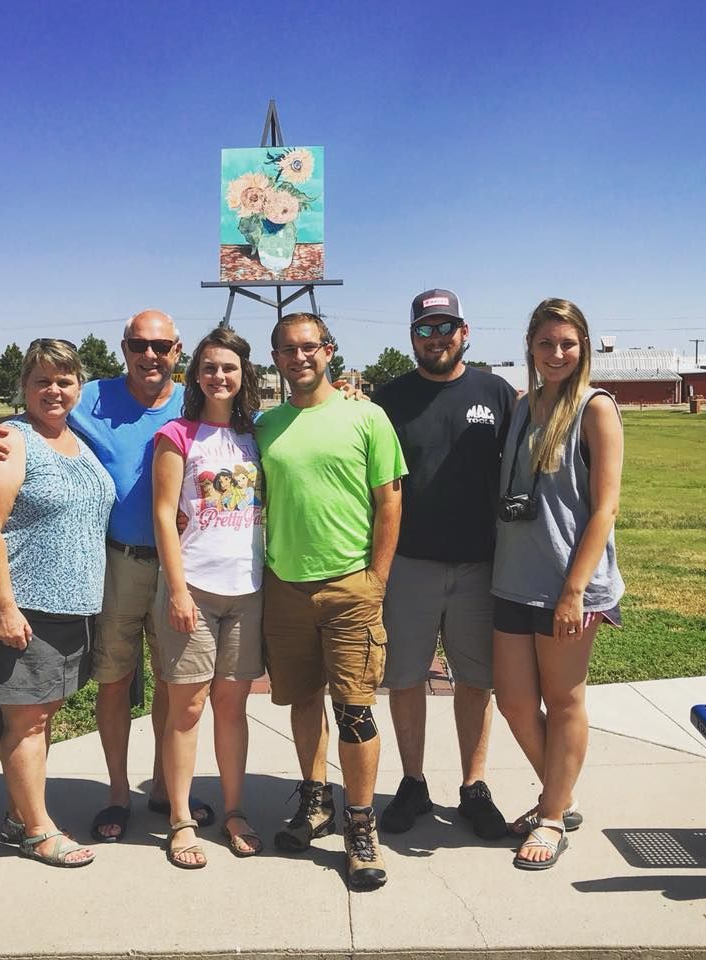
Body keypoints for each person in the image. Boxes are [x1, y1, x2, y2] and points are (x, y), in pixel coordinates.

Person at [0, 310, 217, 841]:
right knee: (114, 679)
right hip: (118, 562)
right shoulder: (90, 396)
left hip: (181, 566)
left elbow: (248, 419)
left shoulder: (195, 398)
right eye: (139, 344)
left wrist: (346, 395)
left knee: (175, 683)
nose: (150, 355)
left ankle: (165, 787)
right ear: (124, 347)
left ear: (178, 351)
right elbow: (34, 415)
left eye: (162, 346)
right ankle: (117, 793)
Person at [257, 312, 406, 891]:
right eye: (287, 349)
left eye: (309, 347)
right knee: (302, 700)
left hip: (350, 587)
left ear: (329, 350)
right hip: (285, 587)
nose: (299, 357)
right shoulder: (266, 425)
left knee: (355, 709)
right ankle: (315, 800)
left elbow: (390, 502)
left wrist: (377, 580)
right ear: (276, 358)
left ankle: (361, 825)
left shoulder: (367, 417)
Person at [0, 338, 115, 867]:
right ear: (23, 386)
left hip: (71, 607)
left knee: (40, 715)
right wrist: (5, 608)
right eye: (41, 380)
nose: (54, 390)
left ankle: (17, 813)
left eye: (64, 380)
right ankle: (37, 831)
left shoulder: (76, 438)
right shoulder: (8, 441)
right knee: (26, 721)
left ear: (79, 387)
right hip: (21, 608)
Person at [371, 289, 515, 840]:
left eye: (445, 327)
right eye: (425, 329)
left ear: (464, 331)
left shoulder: (494, 393)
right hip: (409, 563)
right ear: (412, 336)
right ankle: (413, 782)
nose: (436, 338)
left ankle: (474, 785)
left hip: (480, 565)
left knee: (475, 680)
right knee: (405, 678)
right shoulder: (388, 400)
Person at [491, 298, 624, 870]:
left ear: (583, 346)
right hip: (513, 578)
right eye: (546, 343)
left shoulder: (596, 408)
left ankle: (550, 816)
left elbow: (605, 508)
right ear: (530, 346)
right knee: (515, 701)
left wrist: (574, 591)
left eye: (567, 343)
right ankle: (559, 796)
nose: (556, 353)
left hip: (568, 584)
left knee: (564, 700)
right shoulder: (525, 405)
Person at [151, 327, 265, 869]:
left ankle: (235, 811)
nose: (220, 376)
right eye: (210, 367)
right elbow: (163, 514)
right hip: (193, 588)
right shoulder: (177, 435)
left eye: (229, 367)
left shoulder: (255, 434)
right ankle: (180, 820)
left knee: (232, 706)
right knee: (188, 706)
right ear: (195, 376)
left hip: (248, 590)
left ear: (244, 375)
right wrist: (176, 590)